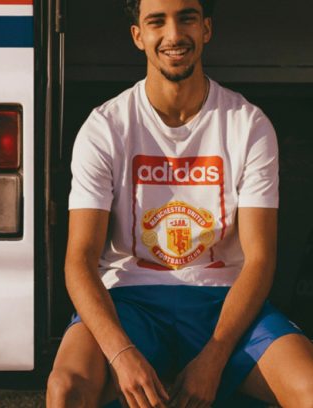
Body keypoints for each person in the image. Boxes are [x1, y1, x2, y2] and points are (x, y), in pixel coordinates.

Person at [47, 0, 313, 406]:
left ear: (206, 28)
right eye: (157, 21)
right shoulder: (105, 127)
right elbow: (79, 261)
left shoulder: (248, 124)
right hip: (130, 302)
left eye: (187, 18)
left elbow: (260, 259)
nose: (174, 35)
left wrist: (214, 358)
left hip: (223, 303)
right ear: (138, 36)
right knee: (66, 388)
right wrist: (122, 355)